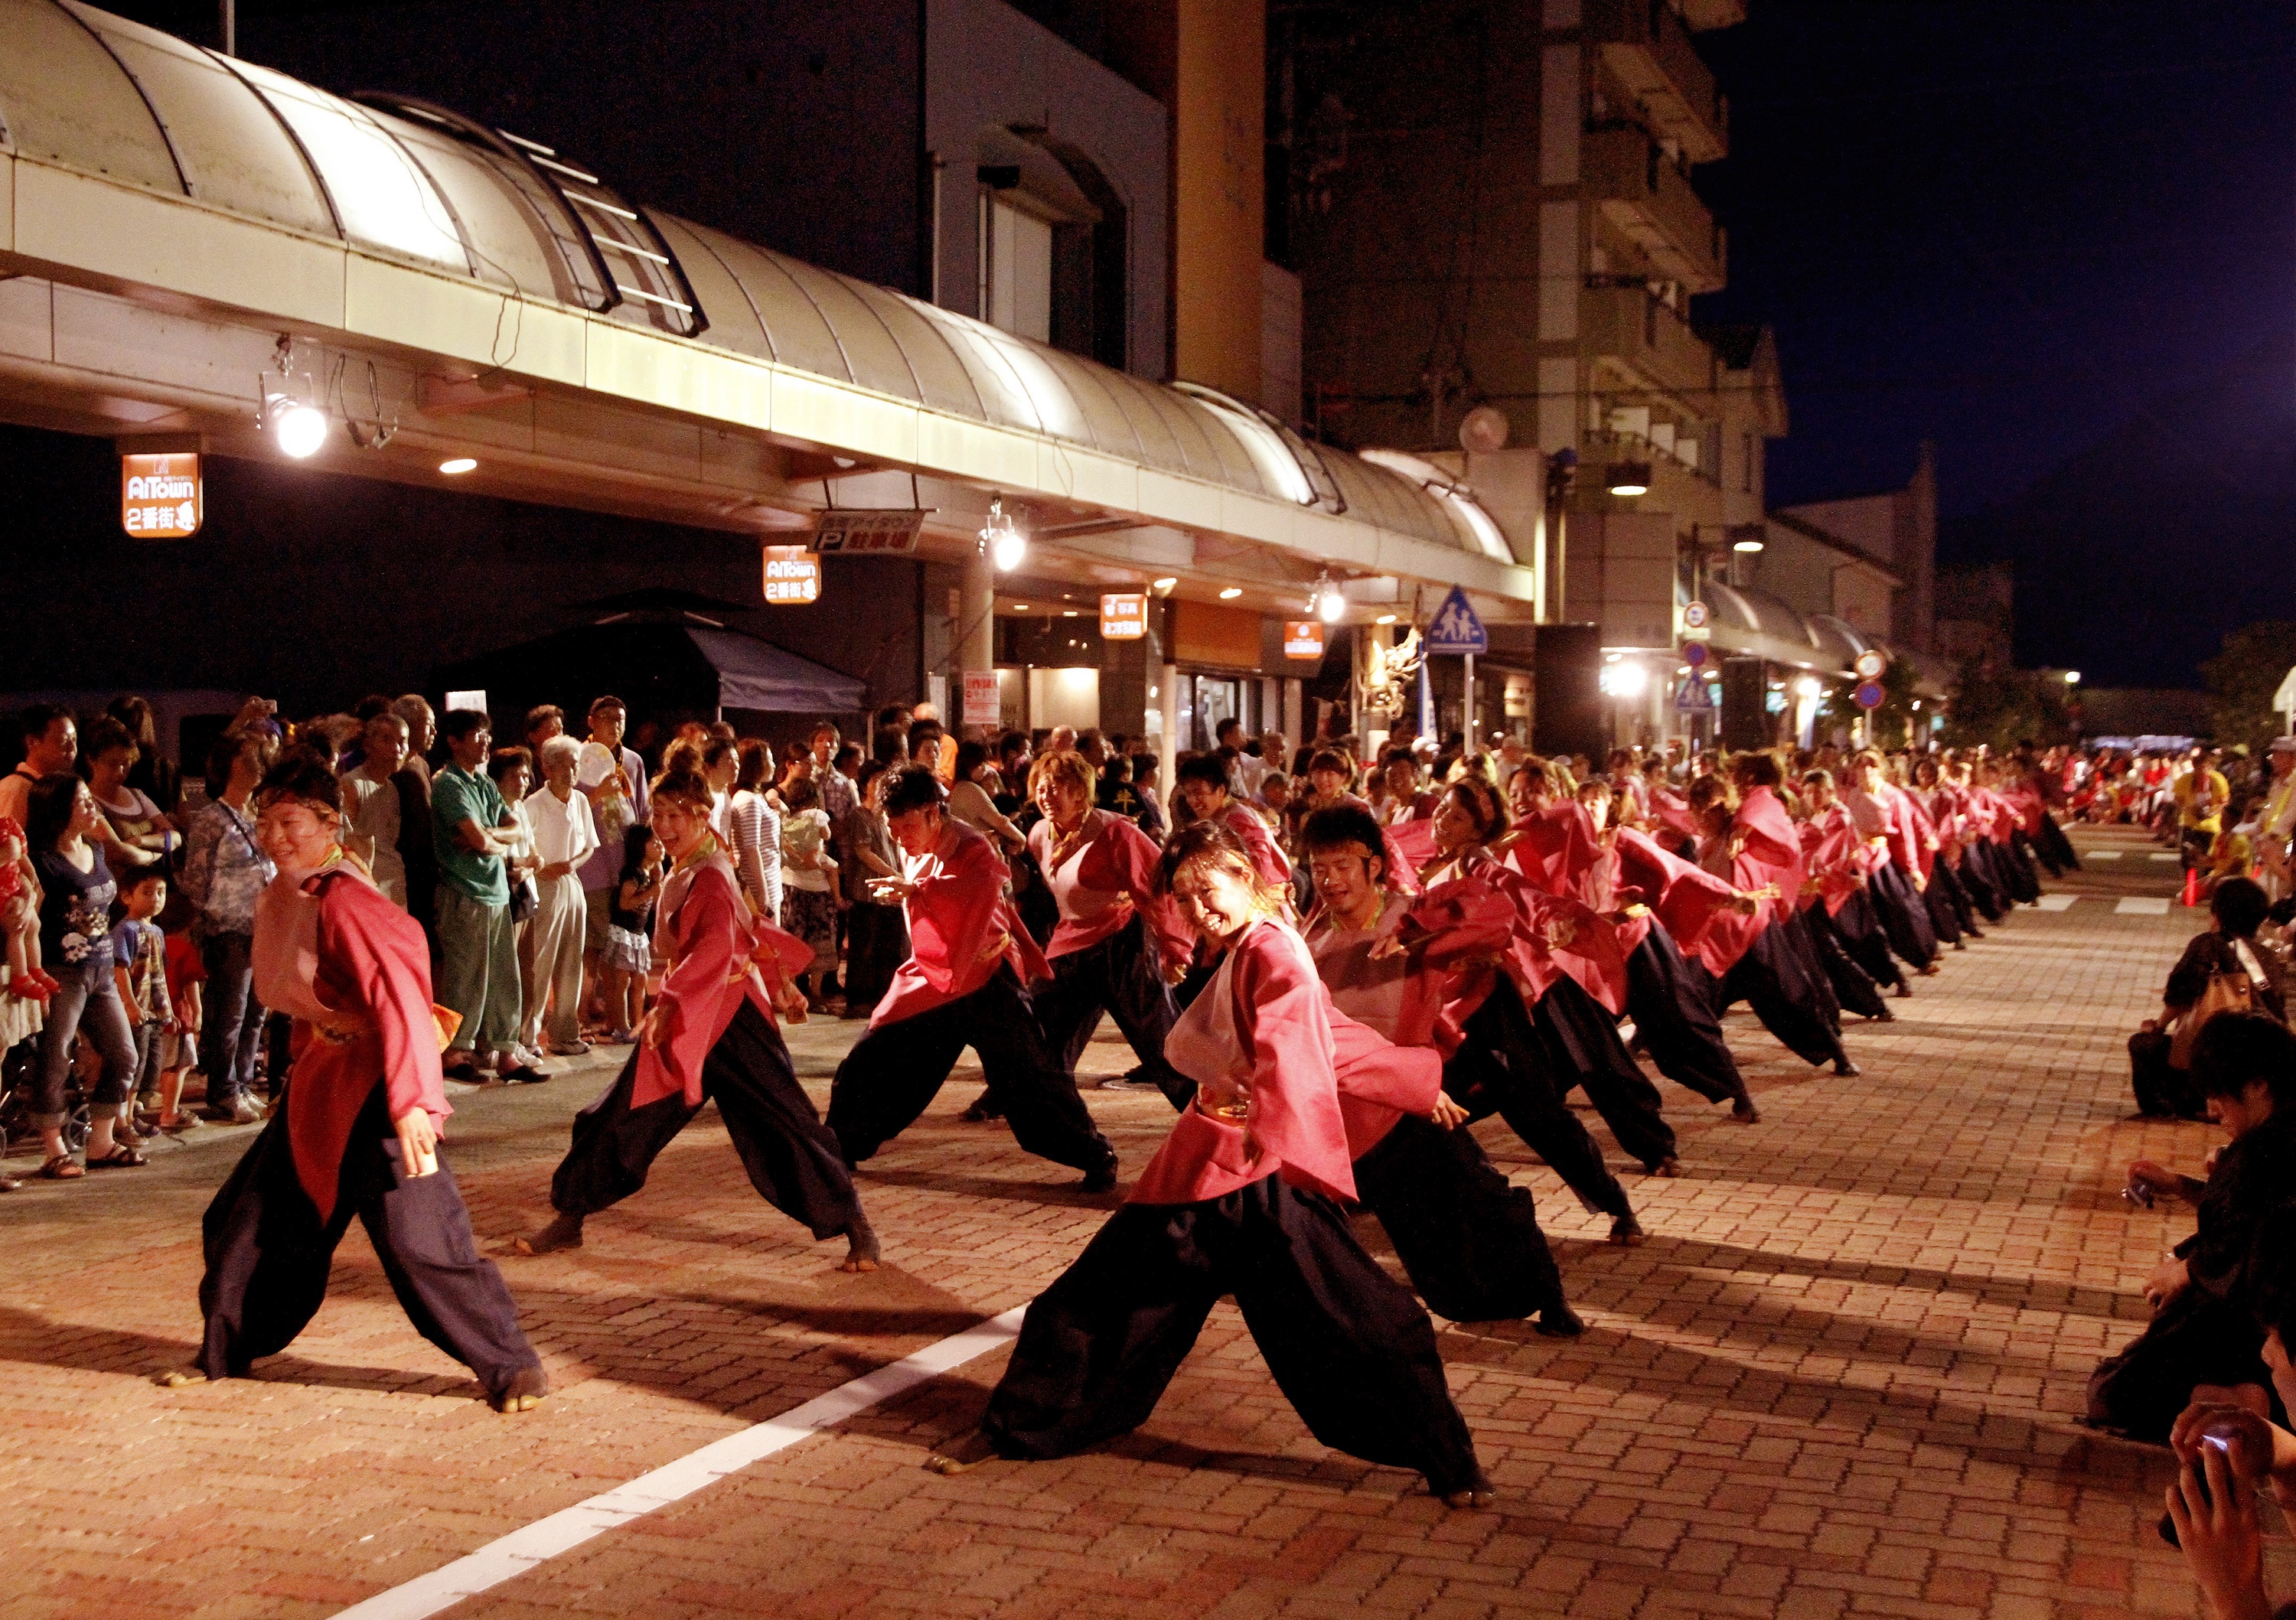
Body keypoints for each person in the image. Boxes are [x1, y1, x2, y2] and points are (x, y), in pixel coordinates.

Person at [931, 819, 1494, 1508]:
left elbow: (1299, 1041)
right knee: (1101, 1297)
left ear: (1244, 873)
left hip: (1255, 1177)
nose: (1200, 909)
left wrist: (1303, 1112)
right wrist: (1413, 1079)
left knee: (1362, 1320)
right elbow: (1328, 1036)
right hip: (1208, 1168)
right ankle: (1021, 1423)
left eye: (1209, 889)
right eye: (1186, 899)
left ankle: (1451, 1461)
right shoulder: (1256, 945)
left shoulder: (1273, 950)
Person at [174, 749, 547, 1413]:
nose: (275, 835)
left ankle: (512, 1364)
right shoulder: (292, 893)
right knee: (245, 1220)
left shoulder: (346, 898)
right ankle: (223, 1351)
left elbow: (403, 996)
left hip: (380, 1089)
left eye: (291, 822)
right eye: (266, 822)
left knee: (421, 1244)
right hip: (325, 1085)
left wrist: (413, 1103)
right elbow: (310, 1001)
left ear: (329, 823)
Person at [514, 766, 879, 1271]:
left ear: (701, 815)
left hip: (730, 1017)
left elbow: (715, 946)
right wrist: (782, 983)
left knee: (788, 1123)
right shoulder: (700, 856)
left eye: (674, 815)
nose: (663, 825)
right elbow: (748, 924)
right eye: (657, 815)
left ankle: (856, 1225)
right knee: (621, 1110)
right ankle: (572, 1216)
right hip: (692, 1011)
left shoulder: (709, 872)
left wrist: (671, 1002)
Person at [1300, 803, 1580, 1331]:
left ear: (1374, 865)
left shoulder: (1410, 915)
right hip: (1344, 1115)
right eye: (1319, 867)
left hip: (1414, 1104)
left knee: (1486, 1204)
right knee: (1409, 1240)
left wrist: (1416, 932)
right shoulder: (1308, 939)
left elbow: (1492, 912)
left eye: (1342, 865)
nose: (1330, 879)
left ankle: (1546, 1294)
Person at [826, 767, 1119, 1189]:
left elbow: (974, 895)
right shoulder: (914, 843)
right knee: (874, 1055)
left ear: (933, 814)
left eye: (907, 826)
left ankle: (1094, 1154)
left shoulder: (975, 848)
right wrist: (912, 890)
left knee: (1029, 1078)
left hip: (985, 979)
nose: (899, 836)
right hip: (933, 976)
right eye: (893, 827)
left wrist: (916, 893)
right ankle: (840, 1143)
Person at [2089, 1012, 2296, 1444]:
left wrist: (2187, 1271)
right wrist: (2179, 1185)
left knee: (2113, 1393)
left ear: (2258, 1084)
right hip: (2253, 1316)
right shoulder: (2274, 1135)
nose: (2211, 1108)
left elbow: (2258, 1244)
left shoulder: (2268, 1148)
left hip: (2262, 1320)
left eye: (2220, 1093)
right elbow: (2248, 1217)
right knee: (2122, 1372)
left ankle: (2251, 1401)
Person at [1024, 750, 1192, 1103]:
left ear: (1080, 792)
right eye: (1042, 786)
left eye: (1059, 786)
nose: (1048, 795)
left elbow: (1158, 886)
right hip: (1071, 943)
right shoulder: (1039, 834)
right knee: (1039, 1025)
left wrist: (1174, 948)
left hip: (1123, 941)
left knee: (1157, 1035)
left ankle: (1203, 1109)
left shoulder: (1114, 832)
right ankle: (1034, 1103)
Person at [24, 774, 145, 1178]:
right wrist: (35, 975)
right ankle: (53, 1147)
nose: (92, 807)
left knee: (125, 1053)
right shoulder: (41, 860)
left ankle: (102, 1142)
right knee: (55, 1055)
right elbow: (31, 921)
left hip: (102, 970)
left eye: (91, 799)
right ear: (59, 809)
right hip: (62, 972)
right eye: (83, 801)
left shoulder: (96, 849)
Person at [430, 712, 540, 1085]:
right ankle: (454, 1052)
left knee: (503, 977)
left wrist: (487, 839)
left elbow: (513, 828)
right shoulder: (449, 784)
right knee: (464, 977)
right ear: (454, 741)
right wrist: (487, 840)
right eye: (476, 735)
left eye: (486, 735)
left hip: (496, 892)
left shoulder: (485, 784)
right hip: (464, 890)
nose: (484, 742)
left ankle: (506, 1054)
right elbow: (475, 839)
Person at [182, 729, 278, 1123]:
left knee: (257, 1011)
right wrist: (211, 917)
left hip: (264, 923)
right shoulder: (211, 818)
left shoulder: (261, 814)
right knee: (231, 1010)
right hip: (229, 927)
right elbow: (195, 879)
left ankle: (241, 1082)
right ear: (229, 765)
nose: (258, 760)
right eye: (248, 755)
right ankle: (222, 1091)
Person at [521, 735, 599, 1059]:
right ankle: (528, 1036)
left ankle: (565, 1033)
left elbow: (589, 845)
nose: (571, 771)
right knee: (540, 961)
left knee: (571, 961)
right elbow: (524, 844)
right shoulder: (534, 804)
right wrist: (543, 866)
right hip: (543, 885)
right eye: (565, 764)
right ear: (547, 767)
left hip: (572, 882)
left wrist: (571, 865)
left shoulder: (580, 801)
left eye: (575, 764)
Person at [576, 696, 649, 1022]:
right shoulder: (577, 758)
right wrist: (596, 795)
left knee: (620, 941)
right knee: (592, 941)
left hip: (626, 863)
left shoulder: (632, 761)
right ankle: (583, 1008)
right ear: (591, 721)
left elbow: (643, 810)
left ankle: (612, 1010)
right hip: (593, 864)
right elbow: (570, 806)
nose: (614, 724)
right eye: (606, 718)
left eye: (620, 718)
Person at [840, 760, 908, 1019]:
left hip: (889, 896)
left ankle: (883, 997)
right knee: (863, 949)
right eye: (875, 781)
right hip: (866, 892)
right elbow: (863, 851)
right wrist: (893, 874)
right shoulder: (860, 815)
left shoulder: (888, 816)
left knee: (888, 949)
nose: (880, 785)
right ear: (865, 785)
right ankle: (857, 1000)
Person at [111, 863, 175, 1131]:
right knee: (134, 1064)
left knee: (150, 1065)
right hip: (136, 1009)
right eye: (147, 892)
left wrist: (168, 1006)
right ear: (127, 897)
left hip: (154, 1011)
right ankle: (121, 1121)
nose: (155, 899)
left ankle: (133, 1115)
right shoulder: (126, 930)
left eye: (160, 892)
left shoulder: (157, 932)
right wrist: (130, 1004)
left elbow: (159, 973)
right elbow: (120, 968)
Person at [777, 776, 839, 1010]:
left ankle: (792, 990)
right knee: (820, 940)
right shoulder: (817, 815)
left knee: (791, 940)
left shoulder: (785, 817)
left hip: (790, 882)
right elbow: (827, 836)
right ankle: (815, 994)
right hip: (817, 886)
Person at [340, 713, 413, 908]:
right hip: (367, 889)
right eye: (387, 740)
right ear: (367, 745)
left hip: (394, 884)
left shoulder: (391, 788)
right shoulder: (352, 786)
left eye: (402, 741)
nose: (397, 749)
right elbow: (343, 844)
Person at [601, 832, 664, 1043]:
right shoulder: (633, 874)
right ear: (640, 847)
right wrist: (651, 891)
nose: (660, 845)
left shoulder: (650, 871)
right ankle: (622, 1027)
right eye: (653, 842)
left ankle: (637, 1023)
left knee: (640, 980)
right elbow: (624, 903)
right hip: (623, 933)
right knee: (622, 981)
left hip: (638, 933)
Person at [726, 741, 784, 926]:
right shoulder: (747, 800)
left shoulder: (756, 797)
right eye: (769, 760)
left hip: (770, 882)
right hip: (759, 888)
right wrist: (762, 896)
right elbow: (750, 850)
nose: (773, 765)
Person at [0, 703, 77, 828]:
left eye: (74, 739)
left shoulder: (63, 788)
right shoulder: (15, 790)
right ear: (32, 742)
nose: (72, 748)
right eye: (64, 740)